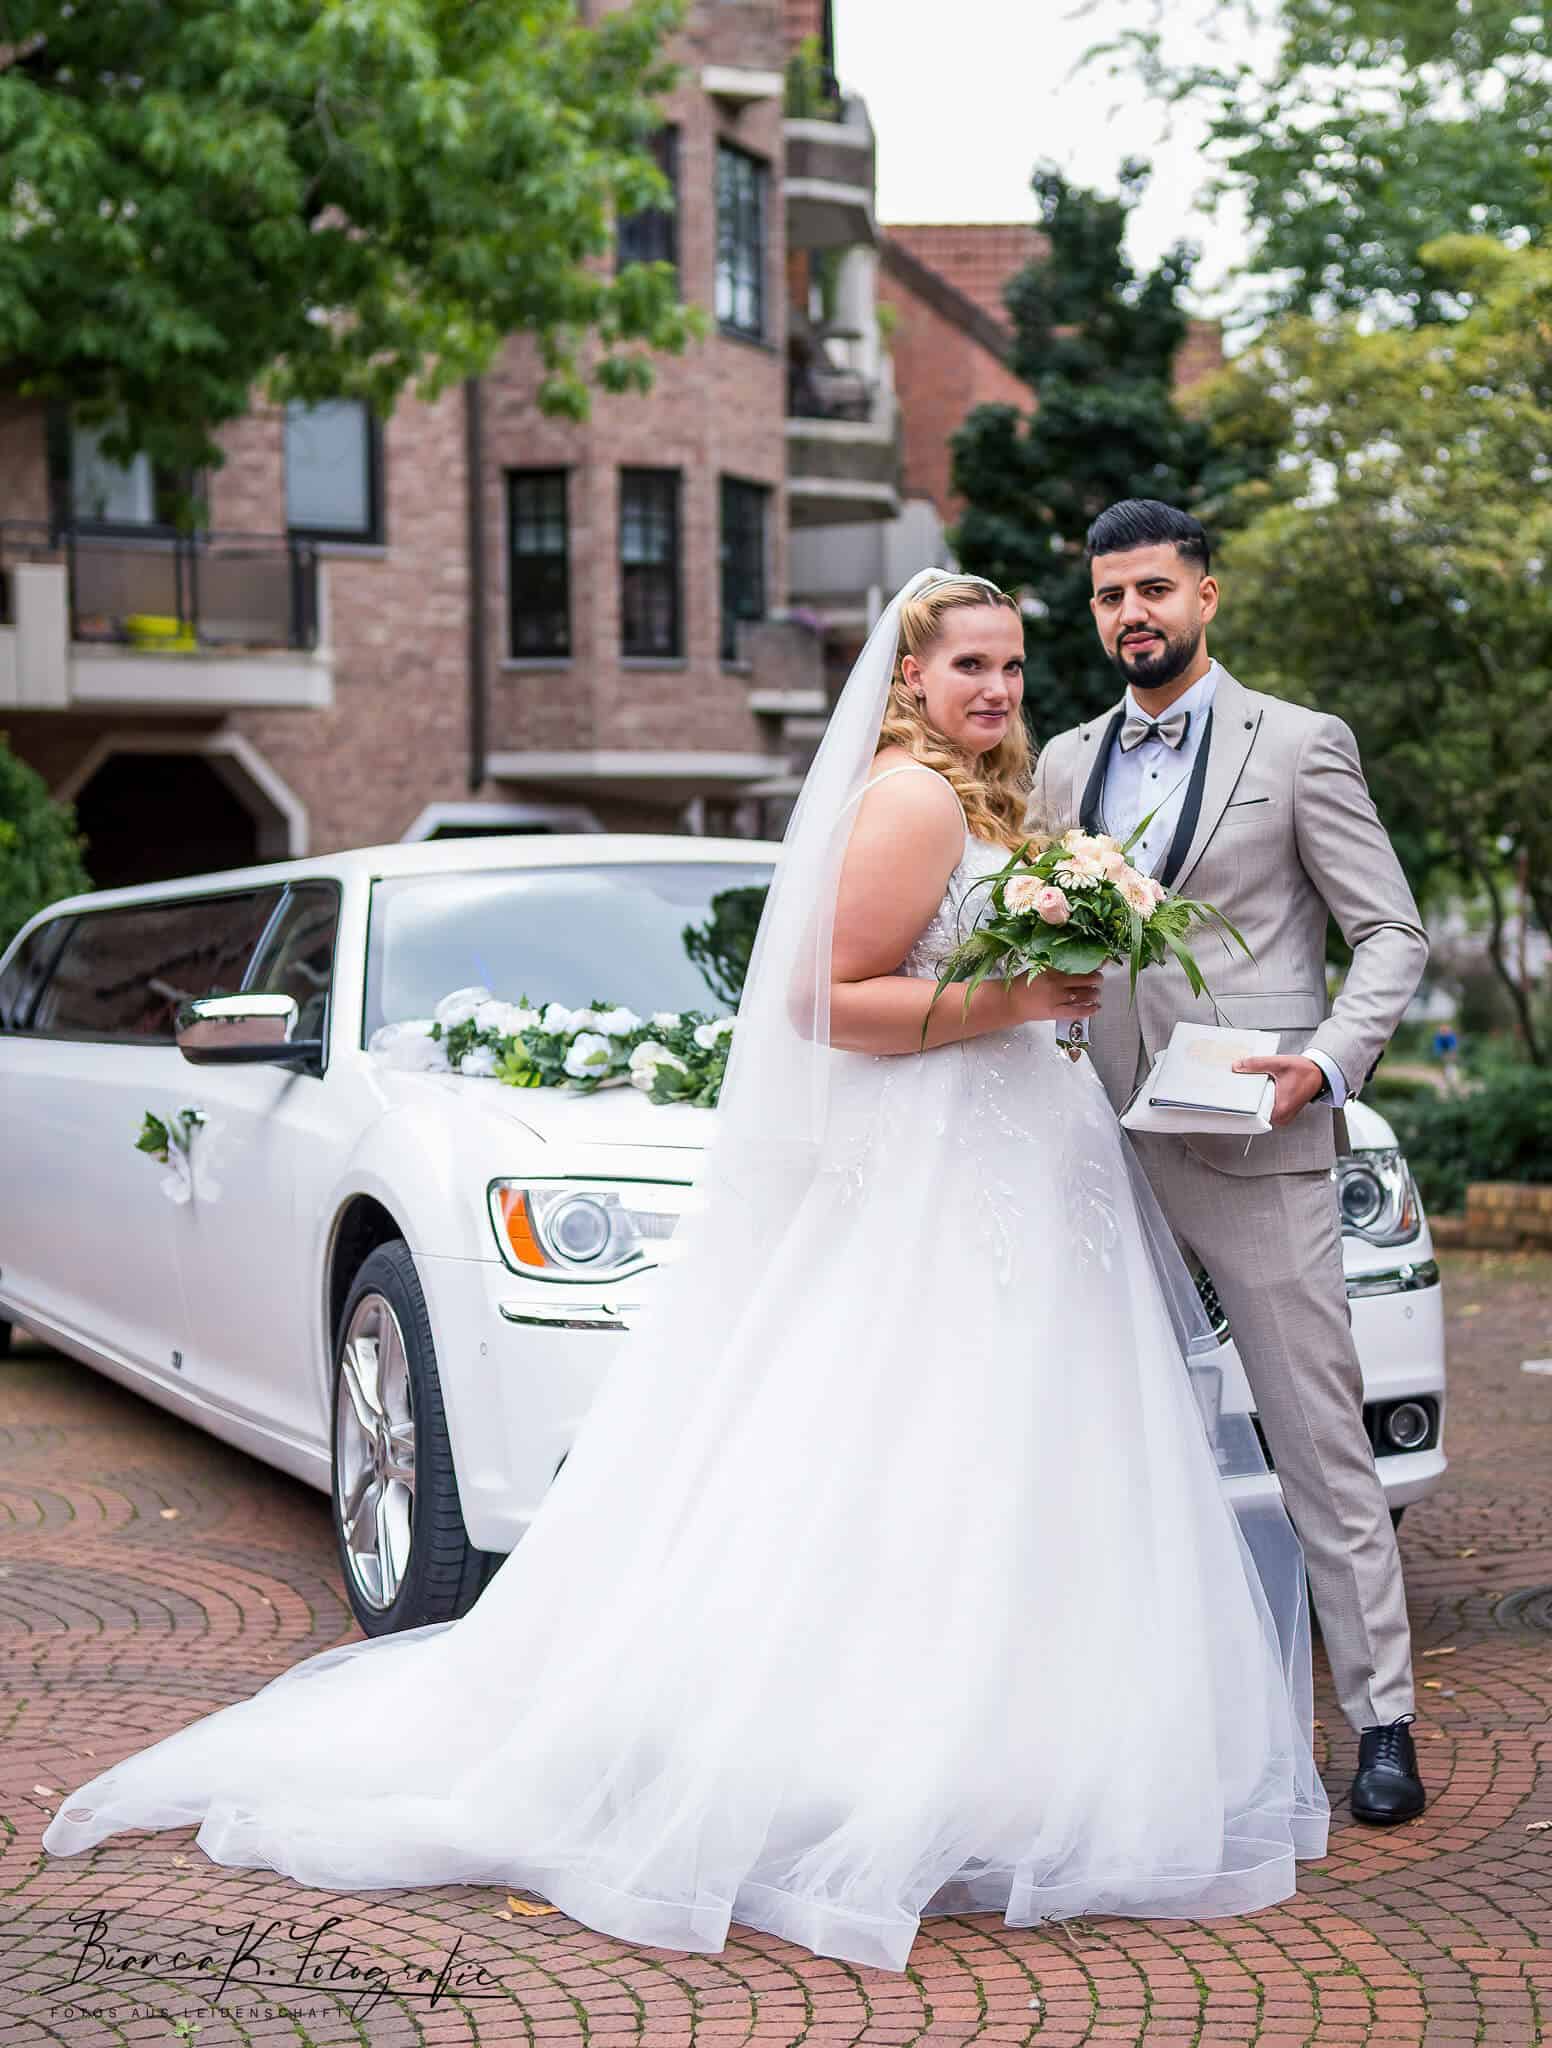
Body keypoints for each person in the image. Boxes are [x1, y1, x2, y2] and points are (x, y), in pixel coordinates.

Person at [41, 570, 1329, 1972]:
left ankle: (1014, 1748)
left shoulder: (973, 797)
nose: (999, 691)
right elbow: (823, 1002)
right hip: (949, 1172)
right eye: (971, 667)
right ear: (908, 681)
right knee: (936, 1454)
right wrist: (1016, 998)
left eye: (1013, 668)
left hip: (1009, 1162)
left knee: (1005, 1459)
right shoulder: (909, 800)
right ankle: (908, 1760)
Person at [1032, 500, 1430, 1827]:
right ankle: (1127, 1726)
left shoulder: (1301, 746)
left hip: (1258, 1140)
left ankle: (1381, 1725)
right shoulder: (1063, 762)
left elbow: (1392, 935)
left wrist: (1327, 1062)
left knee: (1319, 1443)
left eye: (1154, 589)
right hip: (1091, 1146)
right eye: (1108, 599)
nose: (1130, 615)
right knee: (1108, 1443)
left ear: (1208, 597)